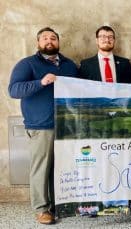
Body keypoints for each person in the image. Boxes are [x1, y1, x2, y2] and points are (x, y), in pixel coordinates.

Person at [8, 27, 78, 224]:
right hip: (40, 127)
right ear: (38, 43)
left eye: (53, 38)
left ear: (58, 42)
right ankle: (42, 209)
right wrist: (41, 82)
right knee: (41, 169)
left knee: (61, 168)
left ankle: (59, 205)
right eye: (45, 38)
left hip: (66, 127)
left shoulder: (69, 65)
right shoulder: (27, 64)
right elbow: (14, 90)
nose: (49, 41)